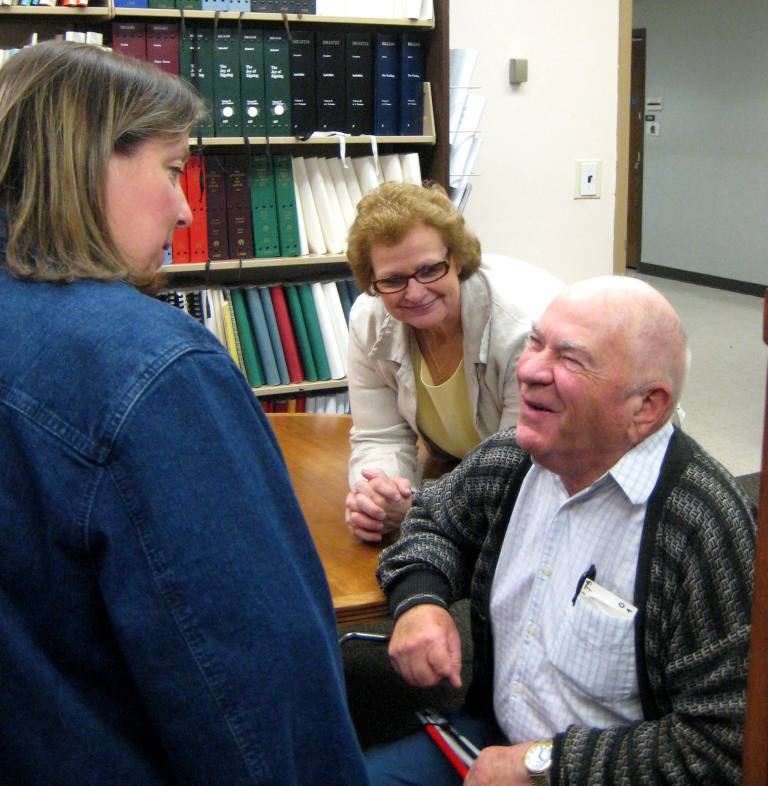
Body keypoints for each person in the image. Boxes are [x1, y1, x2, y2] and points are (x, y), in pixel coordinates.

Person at [0, 41, 369, 786]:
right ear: (85, 158)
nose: (183, 205)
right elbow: (254, 684)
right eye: (172, 169)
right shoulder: (150, 369)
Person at [367, 276, 756, 785]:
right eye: (535, 342)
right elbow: (433, 519)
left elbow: (721, 745)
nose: (528, 369)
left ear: (647, 406)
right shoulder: (513, 460)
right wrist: (419, 601)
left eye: (570, 359)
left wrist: (543, 766)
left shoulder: (703, 527)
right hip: (486, 742)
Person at [344, 182, 563, 542]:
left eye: (430, 269)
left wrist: (417, 507)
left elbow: (517, 472)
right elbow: (378, 436)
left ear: (457, 258)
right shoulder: (369, 321)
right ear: (371, 281)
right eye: (393, 280)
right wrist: (379, 494)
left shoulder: (523, 332)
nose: (414, 293)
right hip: (466, 479)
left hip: (567, 480)